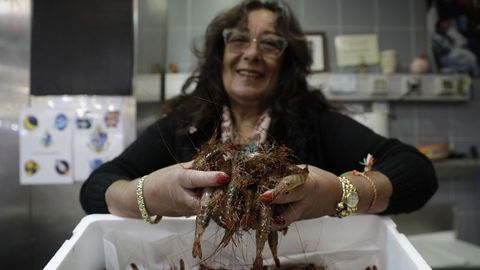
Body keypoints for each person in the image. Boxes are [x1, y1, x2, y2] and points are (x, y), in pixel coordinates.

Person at [80, 0, 437, 231]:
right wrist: (145, 194)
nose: (252, 54)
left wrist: (339, 192)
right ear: (220, 55)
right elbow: (97, 187)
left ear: (287, 63)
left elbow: (417, 171)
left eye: (269, 43)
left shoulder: (314, 122)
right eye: (238, 40)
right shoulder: (184, 123)